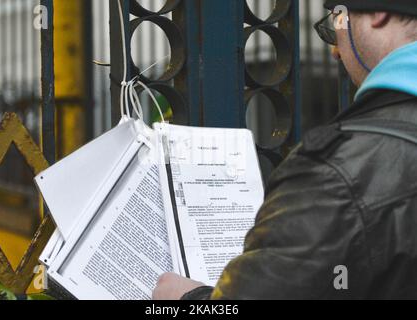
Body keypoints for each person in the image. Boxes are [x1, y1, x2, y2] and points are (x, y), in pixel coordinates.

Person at [153, 0, 417, 300]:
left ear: (378, 12)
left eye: (338, 19)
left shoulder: (337, 173)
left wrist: (187, 300)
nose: (335, 50)